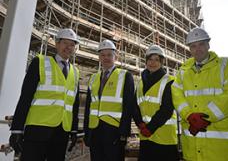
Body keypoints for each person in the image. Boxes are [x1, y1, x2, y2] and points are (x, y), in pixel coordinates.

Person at [171, 27, 228, 161]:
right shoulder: (183, 71)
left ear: (208, 45)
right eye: (193, 46)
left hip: (222, 151)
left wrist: (204, 117)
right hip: (193, 149)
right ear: (189, 49)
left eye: (201, 44)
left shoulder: (227, 65)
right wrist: (189, 115)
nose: (197, 49)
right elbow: (177, 96)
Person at [9, 28, 80, 161]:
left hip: (62, 131)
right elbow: (25, 97)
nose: (68, 47)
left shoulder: (75, 72)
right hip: (37, 129)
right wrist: (17, 129)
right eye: (65, 43)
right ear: (57, 44)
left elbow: (74, 104)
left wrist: (74, 129)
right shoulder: (40, 62)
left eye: (72, 45)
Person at [83, 39, 135, 161]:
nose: (106, 58)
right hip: (94, 130)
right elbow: (88, 108)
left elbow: (128, 106)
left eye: (109, 55)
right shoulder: (93, 78)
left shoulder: (125, 76)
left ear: (115, 56)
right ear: (99, 57)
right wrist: (87, 131)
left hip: (114, 131)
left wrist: (124, 133)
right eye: (102, 55)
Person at [133, 44, 179, 161]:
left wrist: (150, 128)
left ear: (161, 62)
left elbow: (167, 109)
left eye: (156, 60)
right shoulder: (140, 82)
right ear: (146, 61)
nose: (152, 63)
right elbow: (134, 106)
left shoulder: (169, 81)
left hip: (164, 138)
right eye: (150, 59)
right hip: (145, 137)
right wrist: (140, 124)